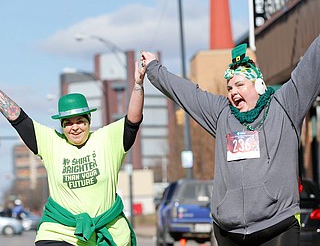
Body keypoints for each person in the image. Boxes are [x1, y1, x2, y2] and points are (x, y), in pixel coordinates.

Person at [140, 34, 320, 246]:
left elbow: (311, 64)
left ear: (259, 85)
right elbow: (186, 93)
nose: (233, 92)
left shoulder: (285, 106)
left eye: (240, 85)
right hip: (229, 231)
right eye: (229, 88)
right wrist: (153, 67)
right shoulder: (221, 115)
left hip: (277, 225)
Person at [0, 59, 146, 245]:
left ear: (89, 121)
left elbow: (133, 120)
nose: (74, 127)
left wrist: (138, 86)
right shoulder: (52, 143)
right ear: (61, 126)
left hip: (107, 230)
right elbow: (18, 118)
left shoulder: (107, 139)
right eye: (68, 123)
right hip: (61, 230)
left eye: (80, 121)